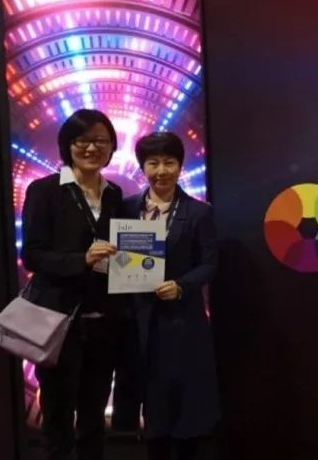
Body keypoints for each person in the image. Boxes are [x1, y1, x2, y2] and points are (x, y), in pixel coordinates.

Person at [21, 109, 125, 460]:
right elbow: (32, 255)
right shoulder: (45, 190)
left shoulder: (114, 194)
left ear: (111, 147)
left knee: (94, 421)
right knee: (58, 421)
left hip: (103, 322)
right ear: (67, 145)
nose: (92, 148)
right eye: (83, 140)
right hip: (58, 322)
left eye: (101, 141)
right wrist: (81, 259)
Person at [124, 132, 220, 460]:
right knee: (151, 403)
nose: (161, 171)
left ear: (180, 166)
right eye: (153, 163)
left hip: (182, 322)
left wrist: (181, 285)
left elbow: (209, 264)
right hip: (139, 321)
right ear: (142, 167)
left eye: (169, 162)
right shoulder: (126, 208)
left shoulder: (198, 212)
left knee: (186, 403)